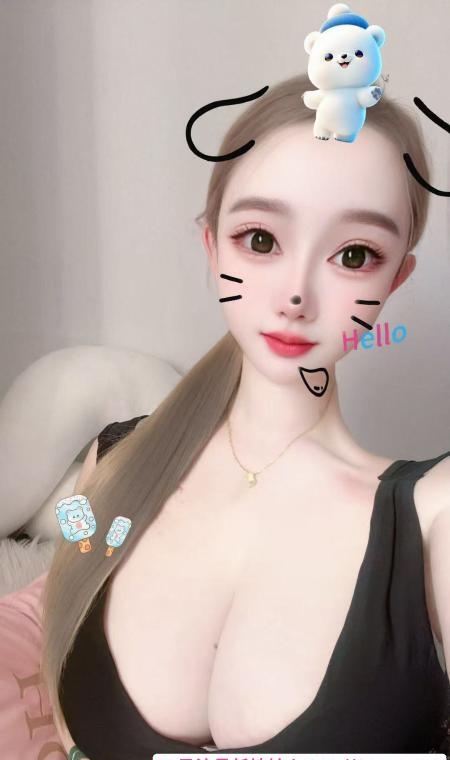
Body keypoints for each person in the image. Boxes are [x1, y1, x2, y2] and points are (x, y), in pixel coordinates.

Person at [40, 72, 450, 759]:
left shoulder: (431, 517)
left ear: (394, 281)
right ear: (212, 245)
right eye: (260, 240)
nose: (296, 294)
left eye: (354, 255)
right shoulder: (112, 462)